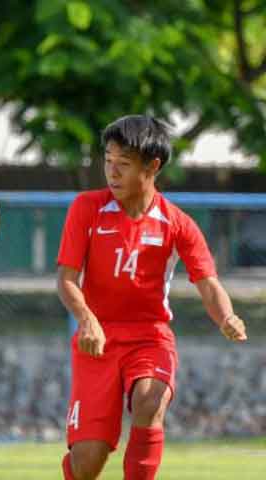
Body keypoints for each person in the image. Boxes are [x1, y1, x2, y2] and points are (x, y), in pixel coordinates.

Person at [56, 114, 247, 480]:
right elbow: (65, 279)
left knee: (149, 399)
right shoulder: (86, 208)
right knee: (87, 463)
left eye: (123, 165)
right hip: (97, 341)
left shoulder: (177, 223)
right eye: (108, 162)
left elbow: (207, 282)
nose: (112, 172)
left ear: (152, 166)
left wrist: (227, 317)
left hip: (150, 337)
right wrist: (87, 319)